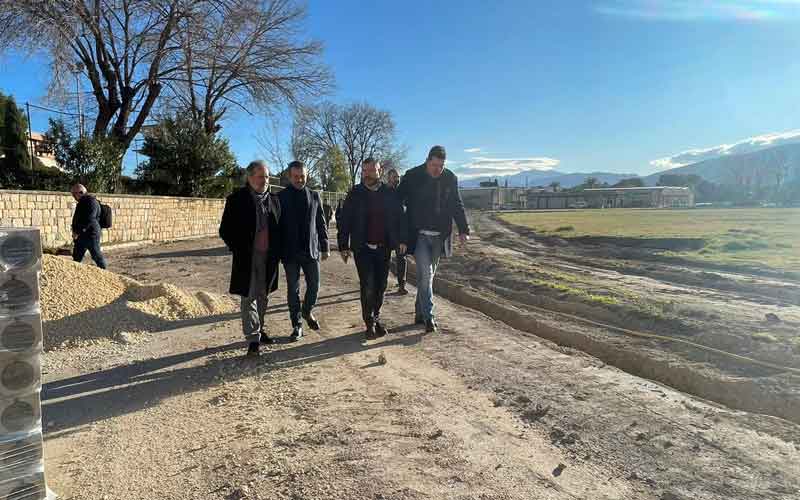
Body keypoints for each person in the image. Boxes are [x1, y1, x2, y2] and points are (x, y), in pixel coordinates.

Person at [396, 145, 470, 333]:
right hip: (419, 234)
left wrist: (463, 229)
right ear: (427, 161)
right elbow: (397, 201)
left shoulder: (450, 178)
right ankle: (429, 317)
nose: (437, 169)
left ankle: (419, 312)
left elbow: (456, 204)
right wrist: (400, 233)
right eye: (434, 165)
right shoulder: (412, 176)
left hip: (440, 237)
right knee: (427, 275)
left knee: (425, 277)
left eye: (441, 165)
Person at [338, 159, 406, 340]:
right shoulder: (355, 194)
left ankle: (376, 318)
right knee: (368, 285)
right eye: (364, 171)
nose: (367, 174)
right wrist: (343, 245)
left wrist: (402, 239)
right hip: (363, 248)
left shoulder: (389, 193)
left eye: (371, 171)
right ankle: (369, 323)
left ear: (379, 171)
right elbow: (345, 221)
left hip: (383, 248)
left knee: (381, 286)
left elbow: (400, 218)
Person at [219, 160, 282, 356]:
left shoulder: (274, 200)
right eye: (261, 176)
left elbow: (280, 229)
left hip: (269, 257)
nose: (265, 180)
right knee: (249, 297)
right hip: (247, 257)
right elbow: (225, 230)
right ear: (250, 177)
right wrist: (238, 248)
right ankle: (253, 339)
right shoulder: (236, 199)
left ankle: (260, 329)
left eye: (267, 176)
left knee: (264, 294)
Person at [278, 160, 330, 341]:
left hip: (311, 250)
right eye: (296, 177)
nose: (300, 179)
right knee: (293, 290)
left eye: (303, 176)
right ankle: (297, 324)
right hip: (290, 252)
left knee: (314, 286)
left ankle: (307, 311)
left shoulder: (314, 195)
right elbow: (276, 227)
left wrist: (325, 246)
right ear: (289, 176)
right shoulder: (281, 197)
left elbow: (321, 223)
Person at [70, 184, 107, 269]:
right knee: (77, 256)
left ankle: (105, 273)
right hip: (82, 234)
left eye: (74, 194)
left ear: (81, 192)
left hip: (91, 234)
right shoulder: (83, 201)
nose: (73, 197)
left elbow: (89, 219)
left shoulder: (91, 201)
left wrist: (78, 232)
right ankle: (75, 274)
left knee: (96, 256)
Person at [386, 168, 408, 295]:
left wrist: (404, 238)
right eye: (394, 177)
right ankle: (381, 281)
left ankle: (401, 285)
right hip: (386, 233)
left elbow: (404, 217)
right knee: (385, 259)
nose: (397, 179)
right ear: (388, 177)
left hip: (399, 233)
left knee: (402, 259)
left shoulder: (401, 194)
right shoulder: (382, 192)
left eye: (398, 177)